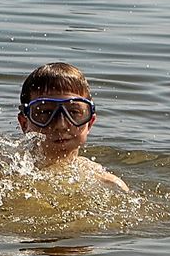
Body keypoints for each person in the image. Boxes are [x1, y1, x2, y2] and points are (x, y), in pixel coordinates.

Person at [15, 61, 124, 189]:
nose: (60, 125)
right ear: (24, 123)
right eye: (46, 112)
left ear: (90, 123)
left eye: (73, 112)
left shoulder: (108, 184)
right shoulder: (0, 175)